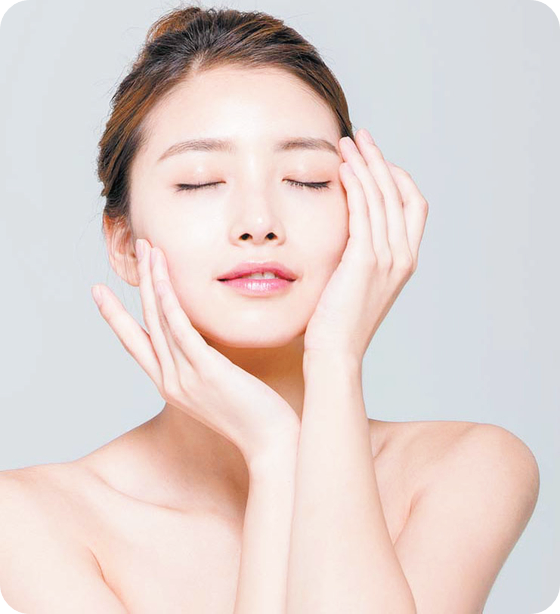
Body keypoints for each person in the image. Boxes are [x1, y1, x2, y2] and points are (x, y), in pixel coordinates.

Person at [0, 4, 540, 613]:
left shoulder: (465, 470)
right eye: (200, 181)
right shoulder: (28, 521)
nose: (259, 223)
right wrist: (274, 451)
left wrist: (334, 360)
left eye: (307, 179)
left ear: (365, 209)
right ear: (124, 243)